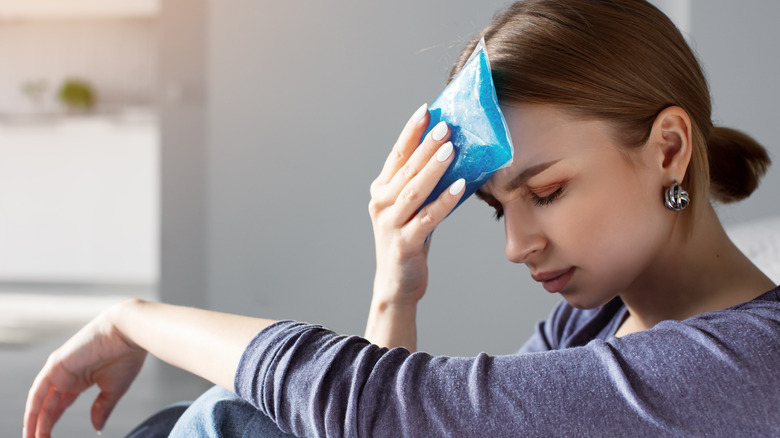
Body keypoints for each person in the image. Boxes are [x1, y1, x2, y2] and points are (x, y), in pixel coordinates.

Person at [24, 0, 779, 436]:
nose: (517, 245)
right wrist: (397, 286)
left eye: (546, 192)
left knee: (234, 417)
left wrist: (133, 319)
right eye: (496, 210)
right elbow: (384, 425)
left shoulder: (749, 364)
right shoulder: (592, 320)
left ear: (668, 149)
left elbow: (387, 414)